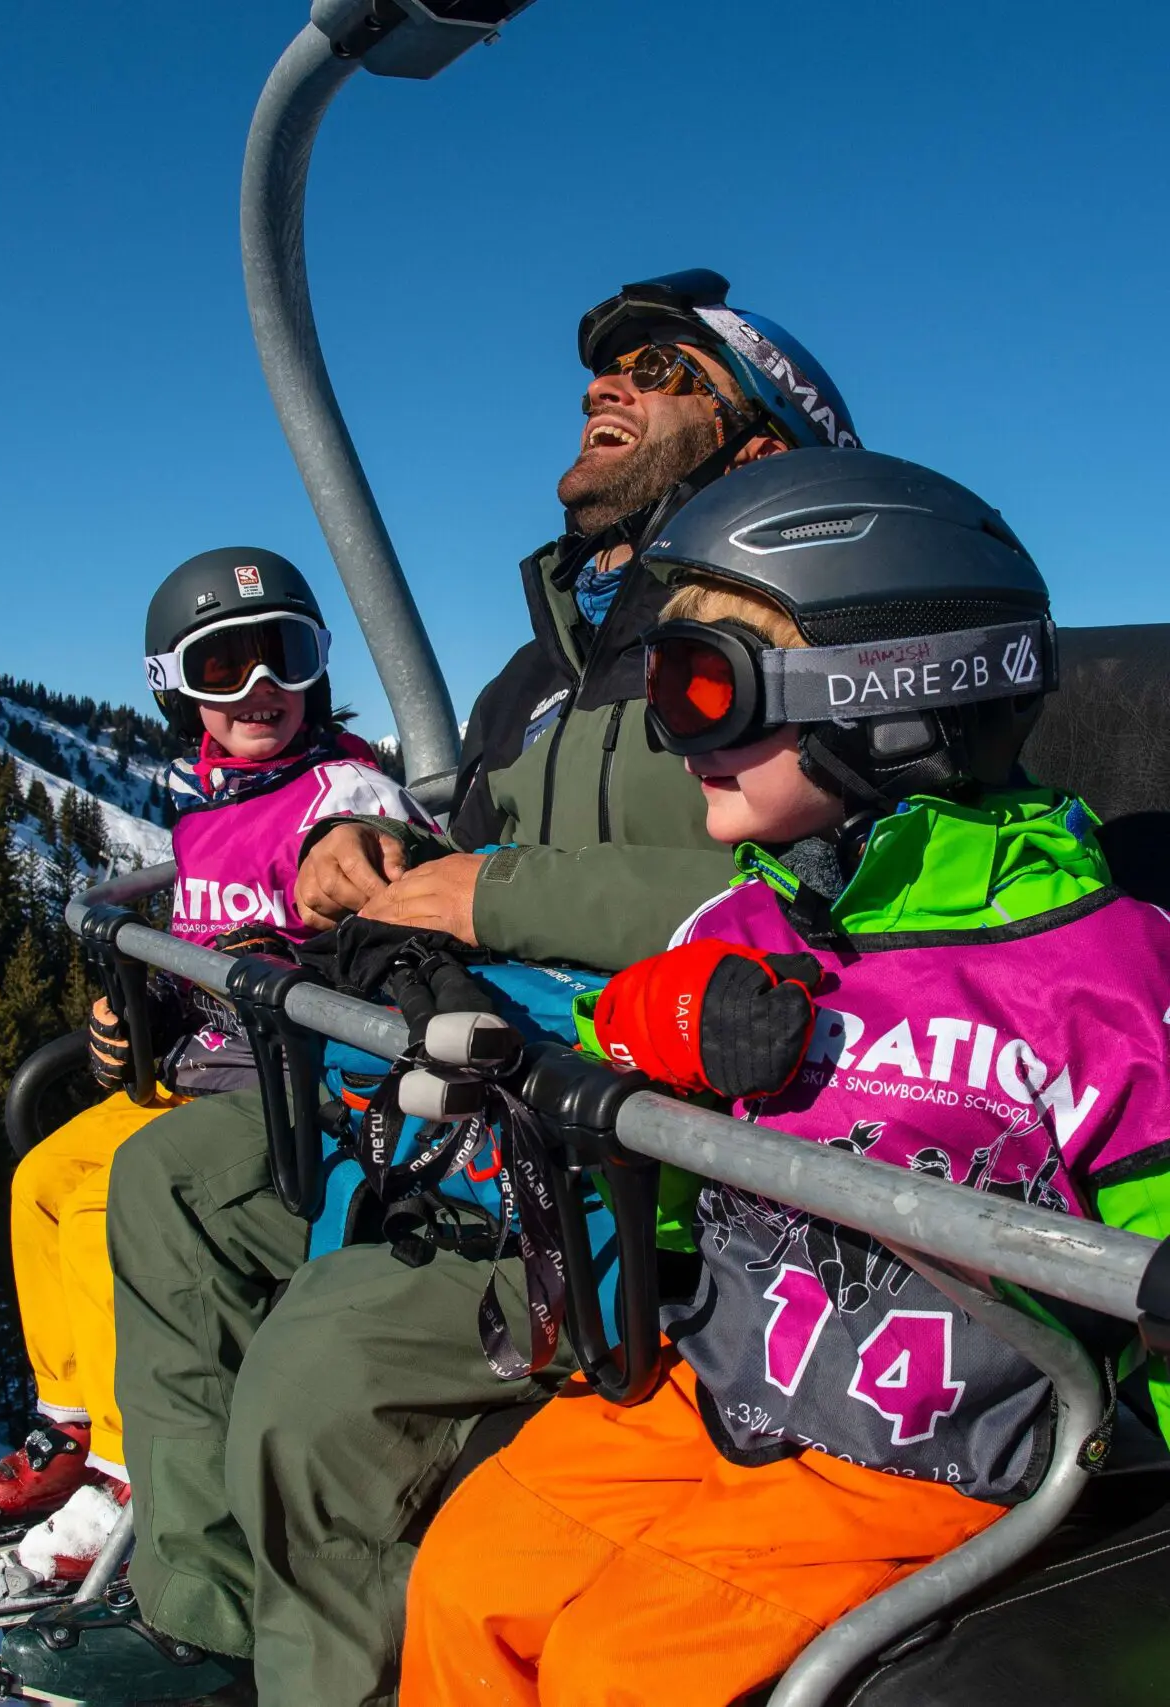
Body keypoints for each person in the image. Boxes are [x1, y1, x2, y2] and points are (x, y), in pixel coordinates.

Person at [9, 273, 863, 1707]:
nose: (607, 385)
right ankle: (209, 1618)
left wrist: (489, 891)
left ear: (763, 446)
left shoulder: (773, 643)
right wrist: (382, 850)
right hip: (465, 1067)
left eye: (660, 369)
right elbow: (479, 834)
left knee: (314, 1379)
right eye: (603, 365)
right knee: (167, 1183)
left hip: (628, 1127)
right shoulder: (551, 662)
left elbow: (813, 899)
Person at [401, 446, 1170, 1705]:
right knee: (469, 1575)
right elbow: (611, 1079)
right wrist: (663, 1028)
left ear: (887, 696)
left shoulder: (1088, 972)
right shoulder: (744, 924)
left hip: (918, 1457)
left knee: (620, 1670)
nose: (669, 734)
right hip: (719, 1386)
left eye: (704, 690)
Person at [0, 547, 431, 1603]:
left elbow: (385, 866)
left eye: (285, 660)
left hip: (299, 1085)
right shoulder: (209, 802)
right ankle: (68, 1421)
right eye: (225, 668)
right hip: (213, 1066)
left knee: (116, 1200)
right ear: (178, 689)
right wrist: (147, 1000)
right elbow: (198, 932)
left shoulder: (340, 786)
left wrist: (331, 901)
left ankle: (131, 1472)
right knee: (43, 1181)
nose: (260, 690)